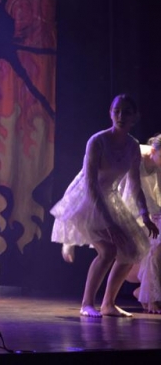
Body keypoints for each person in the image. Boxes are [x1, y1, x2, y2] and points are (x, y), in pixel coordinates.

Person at [51, 94, 159, 317]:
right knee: (108, 250)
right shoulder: (98, 141)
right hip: (87, 200)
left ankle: (108, 304)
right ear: (110, 113)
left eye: (126, 112)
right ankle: (86, 304)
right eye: (116, 111)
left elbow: (135, 185)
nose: (120, 116)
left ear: (135, 117)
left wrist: (144, 215)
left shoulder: (132, 146)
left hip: (110, 198)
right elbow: (90, 184)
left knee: (133, 249)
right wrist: (108, 223)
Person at [120, 135, 161, 314]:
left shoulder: (157, 163)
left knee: (155, 249)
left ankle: (145, 292)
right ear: (154, 151)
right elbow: (136, 190)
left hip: (153, 208)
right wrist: (151, 213)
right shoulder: (138, 155)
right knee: (153, 249)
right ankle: (149, 298)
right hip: (133, 204)